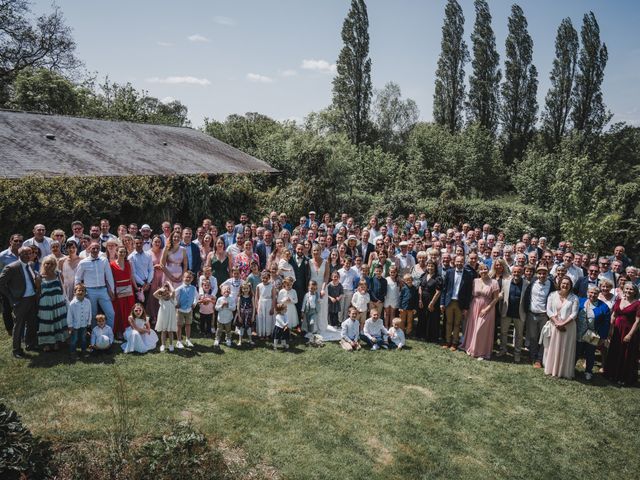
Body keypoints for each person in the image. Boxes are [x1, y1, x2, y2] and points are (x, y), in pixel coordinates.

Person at [461, 263, 500, 360]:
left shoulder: (494, 282)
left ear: (488, 270)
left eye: (485, 269)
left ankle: (482, 352)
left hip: (487, 307)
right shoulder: (475, 281)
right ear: (478, 271)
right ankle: (471, 348)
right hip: (474, 306)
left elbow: (496, 298)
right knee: (473, 327)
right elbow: (470, 295)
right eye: (481, 269)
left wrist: (487, 309)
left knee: (481, 329)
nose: (483, 271)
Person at [604, 282, 640, 386]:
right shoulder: (619, 300)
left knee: (626, 354)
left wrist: (630, 335)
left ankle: (623, 377)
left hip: (628, 331)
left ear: (635, 292)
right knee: (615, 350)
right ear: (623, 290)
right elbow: (614, 315)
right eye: (626, 289)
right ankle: (611, 374)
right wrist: (610, 330)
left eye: (631, 289)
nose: (628, 291)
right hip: (617, 330)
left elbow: (637, 321)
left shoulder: (637, 304)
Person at [543, 276, 579, 379]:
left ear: (570, 285)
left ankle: (563, 371)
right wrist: (557, 323)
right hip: (555, 325)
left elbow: (574, 314)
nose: (565, 285)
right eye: (563, 283)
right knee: (553, 347)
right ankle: (552, 369)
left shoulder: (574, 298)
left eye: (568, 284)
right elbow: (549, 310)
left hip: (569, 327)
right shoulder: (552, 295)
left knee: (565, 348)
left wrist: (563, 324)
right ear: (560, 284)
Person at [523, 264, 556, 368]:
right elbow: (526, 296)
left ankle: (539, 359)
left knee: (543, 338)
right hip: (532, 314)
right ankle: (533, 357)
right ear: (537, 274)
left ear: (547, 274)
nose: (542, 275)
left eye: (544, 273)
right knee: (533, 337)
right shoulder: (532, 283)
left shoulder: (550, 284)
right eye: (540, 273)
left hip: (544, 316)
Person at [440, 255, 474, 351]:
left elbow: (468, 293)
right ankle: (447, 341)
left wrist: (466, 308)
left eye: (461, 261)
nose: (459, 263)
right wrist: (442, 303)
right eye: (457, 261)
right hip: (449, 301)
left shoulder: (468, 275)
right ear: (454, 262)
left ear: (464, 262)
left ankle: (455, 343)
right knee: (448, 322)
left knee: (457, 323)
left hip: (460, 303)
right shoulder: (449, 272)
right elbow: (444, 289)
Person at [576, 286, 610, 380]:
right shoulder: (580, 301)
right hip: (578, 332)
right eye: (591, 292)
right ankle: (571, 368)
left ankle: (588, 371)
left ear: (599, 294)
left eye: (595, 293)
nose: (593, 295)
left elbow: (606, 323)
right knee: (576, 351)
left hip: (592, 334)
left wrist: (603, 337)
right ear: (587, 292)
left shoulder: (603, 307)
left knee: (590, 353)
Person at [36, 255, 69, 351]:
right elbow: (38, 292)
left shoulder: (58, 274)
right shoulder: (39, 277)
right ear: (43, 264)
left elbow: (63, 288)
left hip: (58, 302)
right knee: (47, 323)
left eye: (52, 264)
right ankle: (47, 343)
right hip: (46, 304)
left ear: (55, 265)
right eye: (47, 263)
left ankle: (57, 341)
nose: (49, 265)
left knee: (58, 321)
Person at [498, 265, 528, 362]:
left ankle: (517, 353)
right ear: (512, 273)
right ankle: (503, 350)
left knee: (519, 335)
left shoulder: (527, 283)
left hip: (519, 313)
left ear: (522, 273)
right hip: (506, 311)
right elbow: (502, 294)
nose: (516, 274)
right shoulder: (505, 282)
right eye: (514, 272)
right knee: (503, 332)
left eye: (519, 272)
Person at [110, 246, 137, 339]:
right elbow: (110, 279)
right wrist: (112, 292)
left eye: (124, 252)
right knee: (119, 311)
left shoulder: (128, 263)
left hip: (129, 290)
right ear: (116, 252)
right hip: (118, 291)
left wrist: (136, 287)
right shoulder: (112, 265)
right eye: (120, 252)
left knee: (129, 310)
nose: (122, 254)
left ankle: (129, 329)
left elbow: (132, 276)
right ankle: (119, 331)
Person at [0, 234, 23, 334]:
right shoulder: (2, 256)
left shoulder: (24, 254)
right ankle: (10, 329)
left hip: (21, 286)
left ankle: (21, 327)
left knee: (21, 307)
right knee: (7, 308)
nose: (18, 243)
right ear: (11, 242)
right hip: (7, 287)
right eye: (16, 241)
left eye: (20, 241)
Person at [417, 260, 442, 343]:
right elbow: (420, 287)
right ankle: (422, 335)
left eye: (432, 266)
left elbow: (438, 292)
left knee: (432, 318)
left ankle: (431, 337)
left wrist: (432, 303)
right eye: (428, 266)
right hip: (423, 299)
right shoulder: (424, 275)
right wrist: (420, 300)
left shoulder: (438, 278)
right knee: (422, 317)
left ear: (435, 267)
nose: (430, 268)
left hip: (433, 300)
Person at [67, 283, 92, 357]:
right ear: (75, 292)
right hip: (75, 325)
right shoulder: (72, 304)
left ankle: (84, 351)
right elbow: (69, 315)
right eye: (79, 290)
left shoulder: (88, 302)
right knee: (74, 339)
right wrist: (70, 325)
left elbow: (90, 312)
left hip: (84, 324)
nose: (81, 292)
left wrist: (89, 322)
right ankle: (73, 352)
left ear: (85, 292)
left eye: (83, 291)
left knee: (83, 339)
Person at [174, 270, 198, 349]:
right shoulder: (180, 288)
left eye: (190, 277)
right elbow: (173, 296)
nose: (188, 279)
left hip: (189, 310)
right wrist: (176, 304)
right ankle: (179, 341)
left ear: (192, 279)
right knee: (179, 325)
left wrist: (194, 303)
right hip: (180, 310)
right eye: (186, 277)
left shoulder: (193, 288)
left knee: (188, 324)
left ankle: (188, 339)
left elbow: (196, 297)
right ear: (183, 278)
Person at [128, 237, 153, 307]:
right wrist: (143, 284)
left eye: (140, 243)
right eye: (137, 243)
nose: (139, 245)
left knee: (146, 303)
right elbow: (133, 273)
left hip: (148, 282)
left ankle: (143, 317)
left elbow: (151, 269)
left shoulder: (148, 255)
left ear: (143, 244)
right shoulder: (131, 257)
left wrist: (148, 283)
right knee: (138, 304)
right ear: (133, 244)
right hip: (138, 284)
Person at [154, 282, 177, 352]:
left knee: (170, 331)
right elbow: (154, 294)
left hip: (170, 317)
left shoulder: (171, 298)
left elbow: (173, 291)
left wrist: (169, 284)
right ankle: (163, 344)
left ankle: (171, 344)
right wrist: (160, 289)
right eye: (164, 294)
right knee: (163, 331)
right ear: (161, 295)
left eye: (167, 293)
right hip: (163, 318)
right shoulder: (161, 300)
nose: (166, 295)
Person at [146, 236, 165, 322]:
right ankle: (153, 316)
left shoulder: (163, 252)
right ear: (152, 242)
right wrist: (154, 266)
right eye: (155, 241)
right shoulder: (148, 253)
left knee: (162, 295)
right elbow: (146, 267)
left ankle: (161, 315)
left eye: (159, 242)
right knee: (153, 296)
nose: (157, 243)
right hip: (152, 277)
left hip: (163, 276)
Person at [255, 271, 275, 340]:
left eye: (266, 278)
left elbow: (273, 297)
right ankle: (261, 334)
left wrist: (272, 307)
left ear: (269, 278)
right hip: (261, 303)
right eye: (263, 278)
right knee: (261, 318)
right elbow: (257, 297)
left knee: (268, 319)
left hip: (269, 303)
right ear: (261, 278)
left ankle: (268, 334)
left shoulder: (272, 286)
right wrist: (257, 306)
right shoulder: (259, 286)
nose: (265, 280)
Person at [235, 281, 255, 346]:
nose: (245, 290)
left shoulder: (251, 297)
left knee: (249, 328)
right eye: (244, 288)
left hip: (249, 314)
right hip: (242, 314)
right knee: (241, 328)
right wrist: (239, 316)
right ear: (241, 289)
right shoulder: (240, 297)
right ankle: (240, 340)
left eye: (247, 288)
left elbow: (254, 307)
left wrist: (253, 316)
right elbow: (238, 307)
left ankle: (250, 340)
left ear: (249, 289)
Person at [384, 265, 400, 329]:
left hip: (394, 299)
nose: (392, 273)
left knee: (392, 314)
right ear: (389, 272)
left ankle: (391, 327)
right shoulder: (386, 279)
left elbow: (399, 290)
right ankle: (386, 327)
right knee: (387, 314)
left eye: (394, 272)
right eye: (391, 272)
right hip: (387, 298)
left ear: (396, 273)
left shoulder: (398, 281)